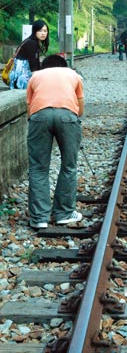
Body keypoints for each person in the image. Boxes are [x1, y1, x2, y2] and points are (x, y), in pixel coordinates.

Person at [26, 54, 84, 229]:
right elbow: (80, 110)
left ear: (45, 66)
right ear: (64, 66)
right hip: (67, 116)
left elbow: (29, 108)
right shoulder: (73, 75)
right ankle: (64, 213)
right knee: (69, 165)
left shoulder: (35, 76)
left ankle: (39, 218)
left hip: (39, 117)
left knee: (38, 168)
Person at [9, 19, 49, 90]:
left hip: (19, 77)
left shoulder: (31, 41)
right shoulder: (32, 43)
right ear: (34, 31)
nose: (43, 33)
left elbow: (36, 61)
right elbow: (33, 63)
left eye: (45, 31)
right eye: (40, 31)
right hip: (21, 79)